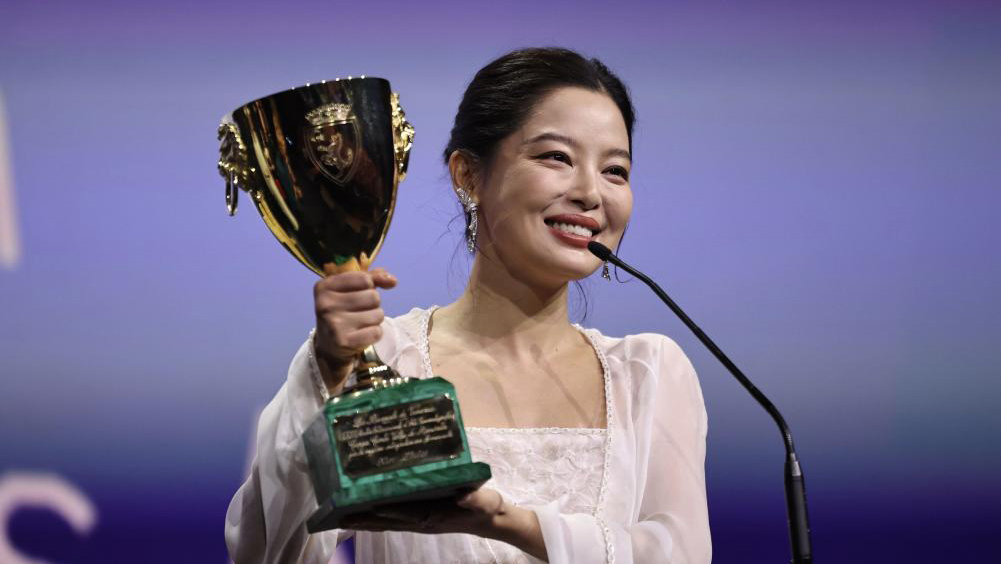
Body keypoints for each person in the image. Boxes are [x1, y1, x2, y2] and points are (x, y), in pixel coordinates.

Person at [225, 47, 711, 564]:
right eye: (556, 157)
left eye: (615, 170)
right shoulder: (383, 358)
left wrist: (508, 522)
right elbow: (268, 552)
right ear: (468, 176)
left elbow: (680, 555)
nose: (591, 192)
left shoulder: (646, 375)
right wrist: (325, 371)